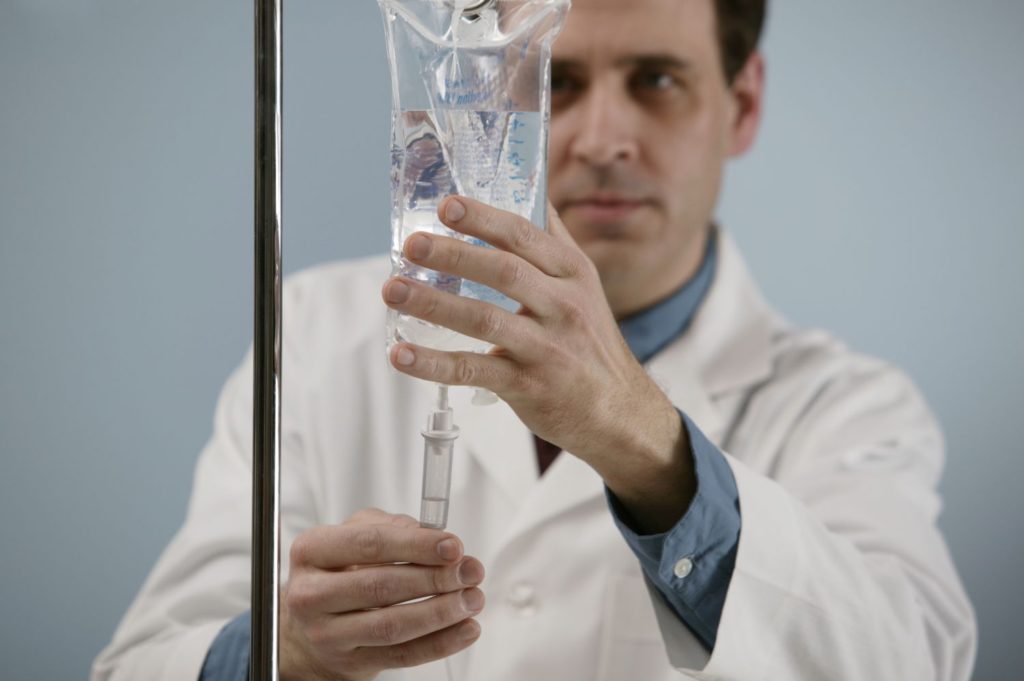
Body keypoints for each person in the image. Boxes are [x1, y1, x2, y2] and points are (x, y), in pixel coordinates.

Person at [93, 0, 977, 679]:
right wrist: (285, 648)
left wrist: (642, 439)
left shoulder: (847, 408)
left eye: (656, 80)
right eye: (558, 80)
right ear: (483, 90)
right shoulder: (317, 339)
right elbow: (138, 663)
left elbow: (909, 658)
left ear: (741, 105)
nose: (603, 140)